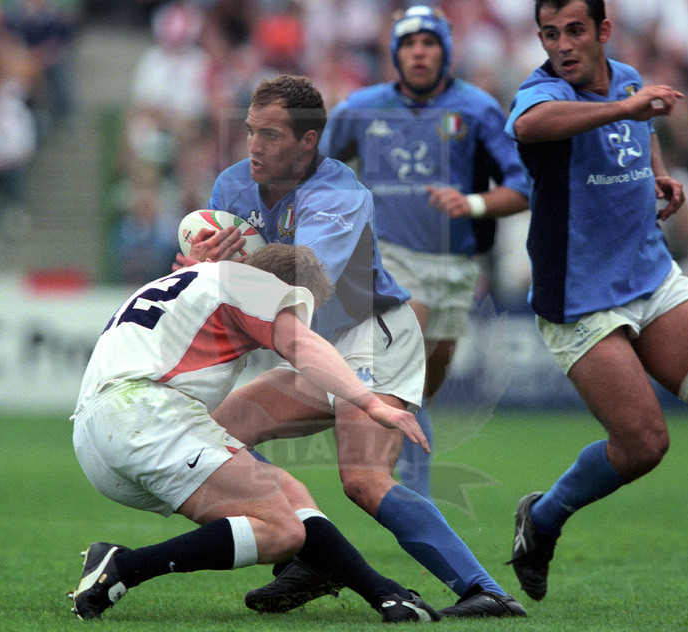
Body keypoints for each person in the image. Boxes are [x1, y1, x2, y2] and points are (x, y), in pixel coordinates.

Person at [179, 74, 526, 619]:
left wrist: (230, 268)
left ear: (308, 141)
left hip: (376, 337)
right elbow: (233, 290)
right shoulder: (231, 185)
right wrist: (196, 273)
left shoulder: (340, 192)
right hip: (321, 347)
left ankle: (486, 591)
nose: (254, 146)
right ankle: (315, 553)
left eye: (270, 135)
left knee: (363, 481)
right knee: (216, 435)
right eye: (250, 131)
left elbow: (308, 276)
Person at [494, 0, 688, 601]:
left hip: (651, 276)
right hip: (580, 297)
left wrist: (656, 171)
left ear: (603, 30)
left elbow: (638, 128)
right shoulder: (543, 92)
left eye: (575, 31)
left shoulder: (626, 79)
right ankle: (543, 518)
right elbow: (529, 127)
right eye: (550, 34)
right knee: (645, 446)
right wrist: (625, 108)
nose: (562, 45)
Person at [68, 243, 440, 623]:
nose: (296, 316)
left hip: (95, 435)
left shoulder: (192, 279)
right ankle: (125, 567)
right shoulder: (252, 282)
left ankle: (385, 595)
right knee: (283, 532)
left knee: (289, 496)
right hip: (145, 413)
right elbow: (300, 345)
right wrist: (370, 402)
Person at [319, 5, 530, 500]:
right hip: (388, 259)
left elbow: (522, 187)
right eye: (410, 44)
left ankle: (411, 488)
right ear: (396, 53)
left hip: (455, 267)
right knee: (406, 342)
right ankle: (382, 488)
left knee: (419, 389)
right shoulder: (362, 108)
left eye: (429, 43)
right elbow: (319, 171)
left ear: (445, 51)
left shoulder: (477, 109)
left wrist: (473, 202)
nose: (419, 52)